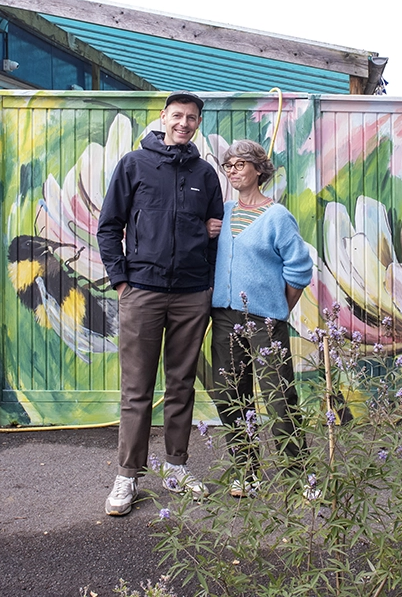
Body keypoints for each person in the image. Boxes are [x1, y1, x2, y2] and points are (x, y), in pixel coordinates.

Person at [96, 92, 224, 517]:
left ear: (198, 123)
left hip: (191, 295)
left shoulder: (206, 175)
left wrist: (210, 249)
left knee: (181, 385)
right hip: (143, 292)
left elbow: (216, 235)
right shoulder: (134, 165)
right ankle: (127, 476)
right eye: (177, 116)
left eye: (192, 118)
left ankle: (176, 467)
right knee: (136, 390)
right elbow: (109, 227)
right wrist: (121, 282)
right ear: (163, 118)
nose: (184, 123)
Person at [209, 139, 313, 498]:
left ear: (258, 169)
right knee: (230, 395)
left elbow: (299, 269)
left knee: (279, 397)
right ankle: (247, 472)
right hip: (224, 316)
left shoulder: (277, 216)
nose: (233, 171)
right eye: (229, 166)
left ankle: (298, 476)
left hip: (265, 321)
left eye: (240, 164)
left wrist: (277, 308)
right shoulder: (222, 214)